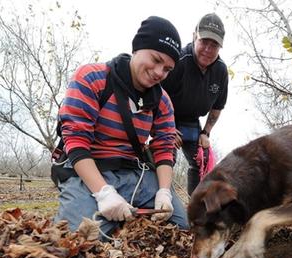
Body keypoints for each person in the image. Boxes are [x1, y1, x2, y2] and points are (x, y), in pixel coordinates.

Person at [54, 16, 188, 239]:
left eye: (167, 69)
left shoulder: (163, 101)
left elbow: (164, 147)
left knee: (181, 226)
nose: (158, 72)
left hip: (135, 173)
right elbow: (76, 141)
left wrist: (164, 191)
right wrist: (103, 192)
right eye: (155, 59)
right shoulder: (92, 78)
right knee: (78, 238)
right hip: (89, 169)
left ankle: (126, 214)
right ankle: (94, 207)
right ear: (138, 48)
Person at [162, 13, 229, 195]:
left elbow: (217, 107)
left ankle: (196, 205)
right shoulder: (178, 61)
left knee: (203, 158)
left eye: (214, 44)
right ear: (194, 37)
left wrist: (205, 132)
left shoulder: (221, 71)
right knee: (166, 153)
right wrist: (165, 127)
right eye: (204, 42)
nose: (208, 49)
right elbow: (156, 94)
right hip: (168, 117)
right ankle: (162, 198)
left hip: (192, 122)